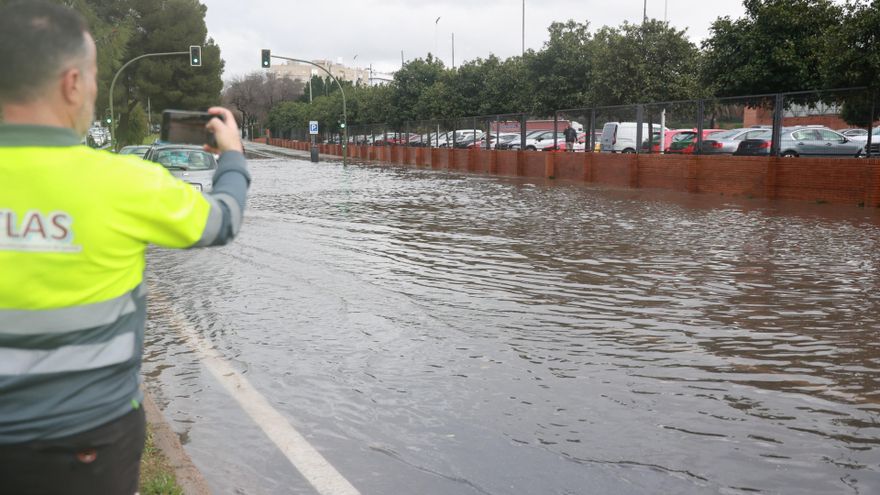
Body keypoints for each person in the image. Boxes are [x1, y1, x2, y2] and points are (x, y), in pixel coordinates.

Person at [0, 2, 250, 493]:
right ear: (72, 84)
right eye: (92, 78)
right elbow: (223, 220)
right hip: (87, 443)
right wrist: (233, 156)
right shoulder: (127, 183)